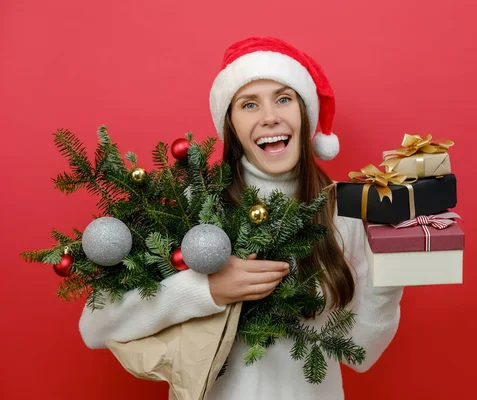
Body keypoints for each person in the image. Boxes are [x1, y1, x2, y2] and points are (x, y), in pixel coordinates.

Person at [79, 36, 405, 400]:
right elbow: (95, 327)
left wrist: (391, 276)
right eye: (249, 104)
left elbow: (360, 351)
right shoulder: (196, 204)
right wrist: (208, 290)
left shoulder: (342, 208)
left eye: (284, 99)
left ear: (304, 113)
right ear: (231, 124)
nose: (270, 117)